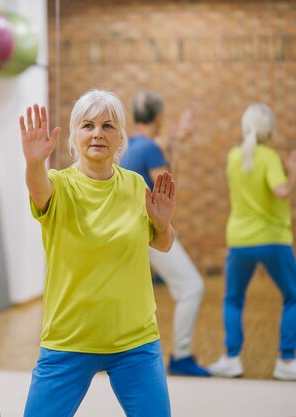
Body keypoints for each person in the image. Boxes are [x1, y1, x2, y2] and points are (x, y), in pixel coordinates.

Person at [21, 89, 175, 417]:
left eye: (108, 126)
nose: (97, 134)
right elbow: (38, 190)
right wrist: (34, 162)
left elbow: (163, 243)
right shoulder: (58, 185)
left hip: (135, 341)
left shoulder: (136, 186)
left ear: (121, 136)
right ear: (74, 136)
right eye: (87, 125)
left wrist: (162, 224)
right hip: (68, 340)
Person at [119, 91, 210, 377]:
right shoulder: (148, 149)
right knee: (192, 286)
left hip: (127, 232)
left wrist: (178, 138)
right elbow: (167, 188)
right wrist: (177, 149)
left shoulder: (131, 146)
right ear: (159, 117)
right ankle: (181, 356)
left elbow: (157, 146)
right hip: (146, 233)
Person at [208, 103, 296, 381]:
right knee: (293, 296)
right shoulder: (270, 157)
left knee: (233, 299)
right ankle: (287, 360)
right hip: (273, 238)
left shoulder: (233, 156)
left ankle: (231, 358)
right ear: (269, 130)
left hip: (240, 239)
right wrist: (293, 171)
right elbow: (280, 191)